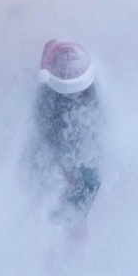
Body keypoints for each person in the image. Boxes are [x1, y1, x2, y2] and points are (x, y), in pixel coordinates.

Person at [31, 40, 102, 250]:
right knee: (47, 216)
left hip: (82, 166)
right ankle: (51, 260)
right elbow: (42, 133)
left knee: (74, 219)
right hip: (52, 163)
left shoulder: (95, 96)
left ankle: (71, 264)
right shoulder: (44, 100)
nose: (74, 96)